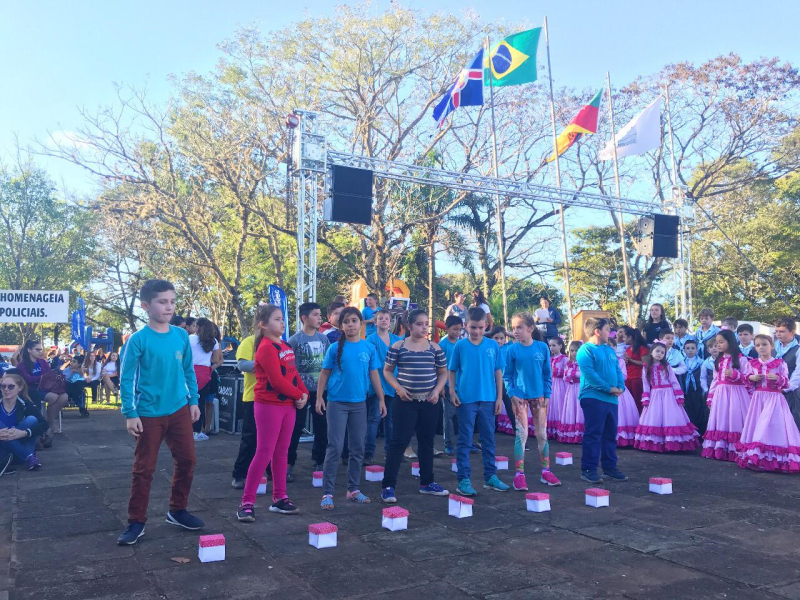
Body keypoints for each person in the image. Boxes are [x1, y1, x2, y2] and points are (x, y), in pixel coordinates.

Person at [117, 279, 202, 546]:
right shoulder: (137, 340)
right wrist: (130, 412)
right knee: (144, 469)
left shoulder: (180, 336)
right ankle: (136, 521)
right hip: (148, 413)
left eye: (172, 301)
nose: (169, 307)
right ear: (146, 306)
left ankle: (177, 510)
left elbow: (188, 370)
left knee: (188, 460)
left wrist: (194, 400)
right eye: (162, 302)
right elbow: (126, 378)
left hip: (179, 409)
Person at [236, 305, 308, 522]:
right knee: (264, 452)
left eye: (282, 319)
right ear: (263, 325)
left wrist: (304, 393)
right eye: (277, 319)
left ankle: (280, 498)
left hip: (288, 406)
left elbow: (293, 374)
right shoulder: (266, 348)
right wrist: (299, 395)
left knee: (281, 453)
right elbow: (276, 381)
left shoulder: (285, 346)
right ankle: (246, 503)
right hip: (268, 406)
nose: (282, 322)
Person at [316, 307, 385, 509]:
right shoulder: (334, 348)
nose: (350, 325)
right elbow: (324, 374)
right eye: (346, 322)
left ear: (361, 323)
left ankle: (353, 489)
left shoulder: (368, 348)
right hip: (337, 403)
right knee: (335, 447)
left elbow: (374, 375)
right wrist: (319, 397)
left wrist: (381, 399)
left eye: (354, 321)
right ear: (341, 326)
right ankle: (327, 492)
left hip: (359, 404)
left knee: (357, 448)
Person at [380, 309, 449, 503]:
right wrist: (399, 389)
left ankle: (427, 482)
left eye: (426, 324)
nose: (424, 327)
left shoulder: (435, 348)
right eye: (419, 324)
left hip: (430, 402)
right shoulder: (398, 346)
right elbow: (387, 371)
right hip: (405, 402)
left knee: (427, 441)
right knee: (398, 442)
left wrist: (437, 391)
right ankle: (388, 486)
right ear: (409, 326)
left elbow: (443, 373)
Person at [448, 306, 509, 496]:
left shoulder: (492, 346)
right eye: (473, 327)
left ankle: (490, 476)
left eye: (481, 327)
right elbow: (452, 370)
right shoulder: (460, 346)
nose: (477, 331)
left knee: (489, 439)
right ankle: (463, 480)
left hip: (489, 399)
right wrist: (452, 391)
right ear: (466, 325)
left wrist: (499, 397)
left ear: (486, 326)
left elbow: (498, 372)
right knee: (465, 440)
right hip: (466, 400)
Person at [504, 313, 559, 491]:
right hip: (519, 399)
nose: (515, 331)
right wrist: (512, 394)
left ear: (530, 328)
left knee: (542, 435)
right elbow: (507, 376)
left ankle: (546, 471)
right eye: (513, 328)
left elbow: (547, 374)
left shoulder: (542, 347)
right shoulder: (512, 350)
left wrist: (547, 395)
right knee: (522, 435)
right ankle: (519, 474)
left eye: (519, 327)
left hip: (539, 398)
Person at [736, 334, 800, 473]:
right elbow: (746, 381)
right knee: (758, 425)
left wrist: (778, 378)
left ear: (772, 346)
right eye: (758, 345)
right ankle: (758, 459)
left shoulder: (780, 363)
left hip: (774, 398)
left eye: (764, 344)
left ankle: (773, 459)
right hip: (758, 399)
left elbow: (786, 382)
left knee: (770, 426)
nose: (761, 347)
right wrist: (751, 377)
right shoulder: (752, 363)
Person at [577, 318, 627, 483]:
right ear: (597, 331)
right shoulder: (585, 350)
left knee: (610, 434)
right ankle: (588, 469)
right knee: (594, 433)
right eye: (607, 329)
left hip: (611, 399)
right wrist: (608, 388)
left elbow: (617, 370)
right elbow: (590, 374)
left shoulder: (609, 350)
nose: (610, 333)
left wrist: (620, 387)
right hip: (593, 397)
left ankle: (609, 468)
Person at [287, 302, 331, 479]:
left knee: (322, 426)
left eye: (320, 314)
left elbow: (328, 365)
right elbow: (289, 368)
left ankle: (320, 461)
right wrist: (296, 391)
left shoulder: (324, 340)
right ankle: (288, 463)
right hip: (300, 392)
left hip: (321, 390)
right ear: (304, 318)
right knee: (295, 427)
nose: (320, 318)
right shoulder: (294, 340)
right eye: (315, 314)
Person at [633, 342, 700, 453]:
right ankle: (656, 443)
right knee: (655, 417)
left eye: (662, 352)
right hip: (655, 394)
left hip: (668, 395)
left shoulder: (666, 366)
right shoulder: (646, 367)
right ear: (651, 352)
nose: (659, 354)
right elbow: (646, 384)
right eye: (657, 351)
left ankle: (672, 443)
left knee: (671, 417)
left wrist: (678, 396)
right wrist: (646, 397)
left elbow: (674, 381)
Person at [702, 330, 752, 462]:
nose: (718, 345)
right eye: (717, 342)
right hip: (721, 394)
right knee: (722, 419)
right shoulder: (719, 360)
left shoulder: (741, 359)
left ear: (730, 342)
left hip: (736, 394)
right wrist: (711, 396)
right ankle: (721, 449)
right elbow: (715, 380)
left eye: (721, 342)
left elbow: (749, 378)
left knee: (734, 418)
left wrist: (735, 375)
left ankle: (735, 450)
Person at [364, 309, 399, 464]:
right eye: (380, 318)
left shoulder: (397, 340)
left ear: (391, 322)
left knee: (390, 420)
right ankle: (368, 453)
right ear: (375, 321)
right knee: (374, 419)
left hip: (393, 384)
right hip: (376, 383)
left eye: (386, 318)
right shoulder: (370, 340)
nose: (384, 320)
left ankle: (390, 452)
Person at [16, 339, 66, 442]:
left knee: (64, 396)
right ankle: (50, 424)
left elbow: (49, 375)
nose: (40, 352)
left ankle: (49, 420)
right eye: (37, 349)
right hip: (31, 390)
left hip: (45, 387)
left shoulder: (42, 362)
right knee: (54, 397)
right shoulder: (22, 365)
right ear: (29, 350)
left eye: (41, 349)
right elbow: (28, 380)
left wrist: (42, 377)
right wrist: (42, 377)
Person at [0, 373, 47, 476]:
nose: (6, 389)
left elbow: (44, 424)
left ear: (20, 388)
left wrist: (24, 433)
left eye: (11, 386)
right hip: (7, 449)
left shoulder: (25, 404)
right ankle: (29, 457)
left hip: (20, 446)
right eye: (3, 386)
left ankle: (11, 459)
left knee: (31, 420)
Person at [230, 318, 258, 489]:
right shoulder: (249, 341)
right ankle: (240, 474)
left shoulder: (281, 344)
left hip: (276, 399)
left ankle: (272, 472)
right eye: (276, 319)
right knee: (250, 437)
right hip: (254, 397)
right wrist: (268, 363)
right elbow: (242, 365)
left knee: (275, 439)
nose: (281, 324)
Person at [189, 318, 223, 441]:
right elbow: (216, 359)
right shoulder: (213, 341)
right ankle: (197, 431)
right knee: (201, 402)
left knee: (186, 401)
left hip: (189, 371)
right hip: (205, 373)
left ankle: (184, 430)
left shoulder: (190, 338)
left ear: (197, 327)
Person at [608, 337, 638, 447]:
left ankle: (622, 438)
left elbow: (624, 375)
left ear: (615, 348)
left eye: (612, 346)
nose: (610, 348)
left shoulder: (620, 361)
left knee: (621, 412)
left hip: (619, 389)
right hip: (605, 389)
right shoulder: (601, 361)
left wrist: (613, 380)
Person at [438, 315, 462, 455]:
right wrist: (441, 386)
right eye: (455, 329)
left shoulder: (461, 344)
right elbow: (439, 366)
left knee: (463, 415)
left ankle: (465, 442)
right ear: (447, 329)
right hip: (447, 385)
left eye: (459, 329)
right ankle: (448, 443)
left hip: (461, 385)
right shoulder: (443, 345)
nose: (457, 332)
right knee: (448, 415)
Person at [491, 326, 519, 437]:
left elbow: (517, 338)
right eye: (496, 338)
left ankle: (519, 438)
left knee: (512, 410)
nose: (499, 340)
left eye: (501, 338)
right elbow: (480, 336)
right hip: (493, 384)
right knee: (492, 411)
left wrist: (505, 332)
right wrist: (489, 333)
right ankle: (484, 439)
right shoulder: (489, 348)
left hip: (506, 384)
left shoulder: (508, 347)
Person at [557, 341, 584, 444]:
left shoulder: (583, 363)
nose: (574, 353)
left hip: (580, 388)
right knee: (571, 408)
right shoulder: (569, 363)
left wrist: (573, 373)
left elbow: (584, 375)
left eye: (576, 350)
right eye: (572, 350)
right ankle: (571, 433)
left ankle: (580, 433)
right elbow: (564, 377)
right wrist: (568, 375)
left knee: (580, 409)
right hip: (571, 389)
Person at [776, 317, 800, 429]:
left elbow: (798, 372)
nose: (778, 334)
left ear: (792, 332)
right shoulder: (772, 347)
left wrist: (787, 388)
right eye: (776, 331)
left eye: (782, 331)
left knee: (792, 423)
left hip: (791, 392)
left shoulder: (798, 349)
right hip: (773, 391)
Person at [682, 340, 708, 435]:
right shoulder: (681, 362)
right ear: (684, 350)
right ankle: (690, 432)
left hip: (698, 390)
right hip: (686, 390)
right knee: (688, 410)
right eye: (688, 348)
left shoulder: (701, 362)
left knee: (699, 410)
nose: (690, 350)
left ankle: (700, 432)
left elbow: (704, 376)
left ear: (697, 350)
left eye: (693, 348)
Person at [621, 327, 648, 413]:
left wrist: (631, 360)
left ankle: (640, 417)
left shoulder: (642, 348)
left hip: (637, 377)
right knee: (630, 401)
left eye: (624, 337)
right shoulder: (628, 349)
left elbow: (645, 364)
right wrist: (626, 361)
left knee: (638, 400)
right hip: (628, 377)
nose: (623, 339)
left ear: (630, 337)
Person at [546, 337, 568, 440]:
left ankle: (560, 429)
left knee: (559, 404)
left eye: (553, 345)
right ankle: (551, 430)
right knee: (552, 404)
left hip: (560, 384)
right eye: (550, 345)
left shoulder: (564, 359)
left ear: (560, 346)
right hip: (551, 384)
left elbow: (567, 372)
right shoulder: (550, 359)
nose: (551, 348)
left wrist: (557, 371)